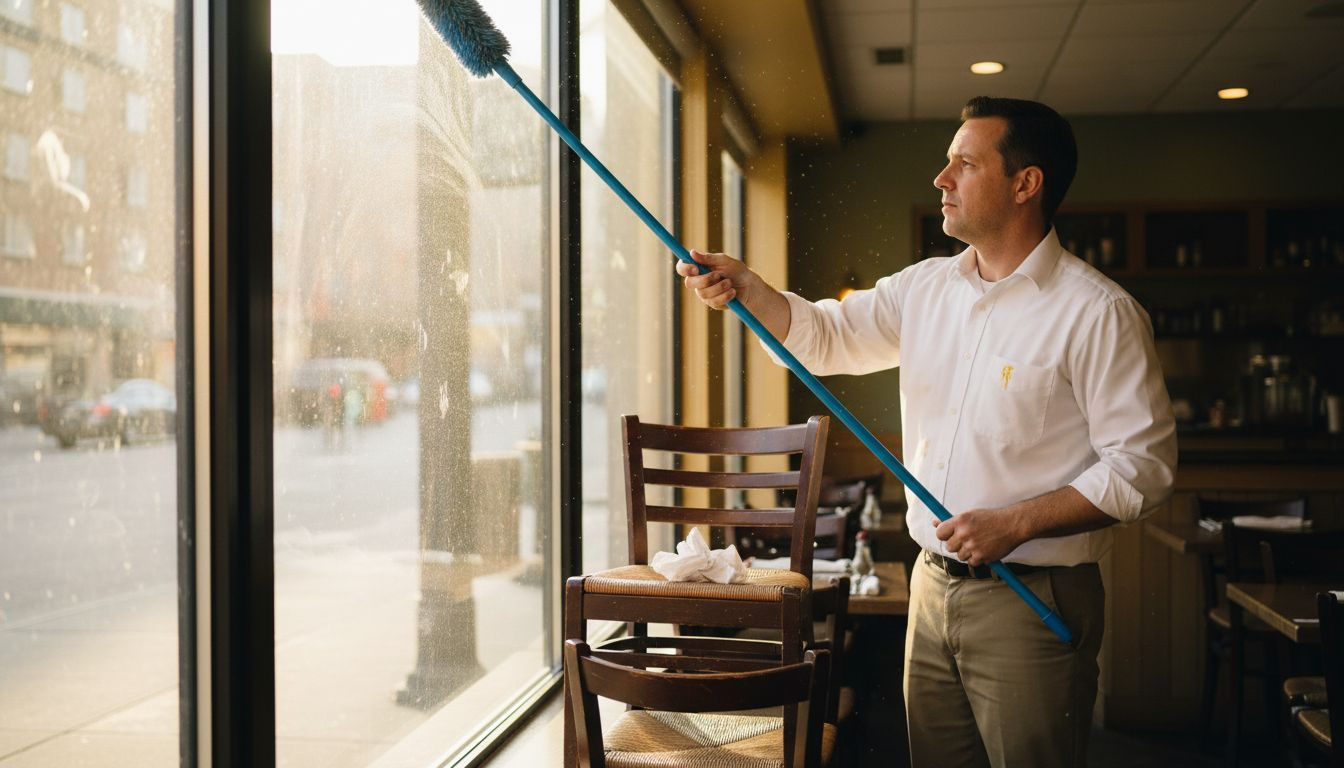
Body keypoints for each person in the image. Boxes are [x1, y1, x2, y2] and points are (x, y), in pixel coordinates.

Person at [676, 96, 1177, 768]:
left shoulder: (1100, 313)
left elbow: (1142, 469)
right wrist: (750, 288)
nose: (941, 179)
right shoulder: (925, 289)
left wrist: (1018, 522)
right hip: (931, 590)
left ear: (1025, 184)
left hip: (1033, 601)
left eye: (964, 164)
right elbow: (822, 337)